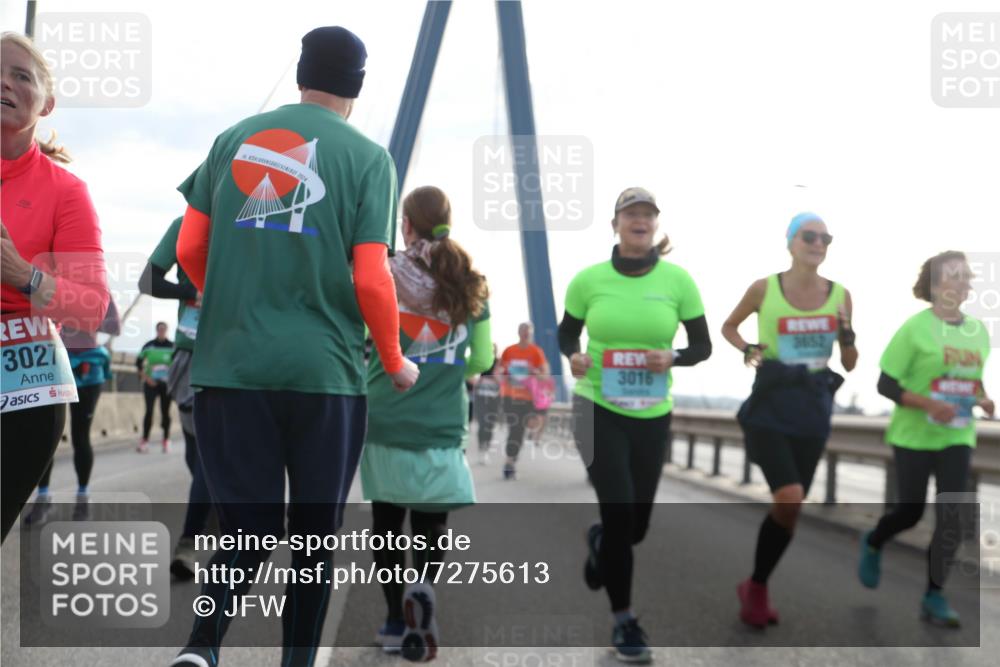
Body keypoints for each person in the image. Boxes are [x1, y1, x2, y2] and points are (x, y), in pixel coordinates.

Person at [169, 26, 418, 667]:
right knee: (312, 545)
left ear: (301, 71)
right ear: (356, 87)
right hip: (324, 375)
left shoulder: (231, 140)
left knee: (245, 531)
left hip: (230, 370)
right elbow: (371, 275)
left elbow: (189, 249)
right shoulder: (369, 158)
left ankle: (201, 649)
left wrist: (229, 302)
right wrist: (394, 360)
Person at [559, 187, 712, 663]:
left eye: (647, 214)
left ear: (655, 226)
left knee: (634, 526)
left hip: (652, 412)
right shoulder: (589, 280)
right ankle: (624, 621)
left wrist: (674, 357)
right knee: (620, 509)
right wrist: (574, 356)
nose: (639, 220)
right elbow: (567, 332)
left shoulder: (678, 281)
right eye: (631, 213)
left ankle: (602, 540)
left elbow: (703, 346)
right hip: (596, 407)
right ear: (616, 224)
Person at [360, 186, 492, 659]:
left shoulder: (385, 274)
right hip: (442, 421)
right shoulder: (471, 283)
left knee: (387, 523)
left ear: (407, 225)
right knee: (431, 522)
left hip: (386, 415)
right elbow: (482, 358)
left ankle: (396, 620)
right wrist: (446, 365)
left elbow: (360, 333)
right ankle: (424, 587)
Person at [721, 212, 857, 629]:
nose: (818, 243)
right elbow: (729, 326)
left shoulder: (840, 295)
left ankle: (756, 584)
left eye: (825, 237)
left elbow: (849, 363)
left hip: (813, 408)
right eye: (809, 236)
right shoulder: (765, 288)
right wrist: (748, 349)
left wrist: (847, 334)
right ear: (791, 242)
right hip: (771, 403)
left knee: (791, 508)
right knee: (790, 495)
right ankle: (758, 590)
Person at [1, 32, 110, 543]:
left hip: (22, 393)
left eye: (21, 75)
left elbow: (92, 309)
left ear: (47, 102)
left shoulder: (65, 191)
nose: (4, 82)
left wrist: (23, 274)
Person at [858, 251, 993, 627]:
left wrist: (982, 398)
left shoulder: (978, 332)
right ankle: (873, 540)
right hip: (914, 435)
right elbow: (885, 384)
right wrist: (928, 404)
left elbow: (970, 378)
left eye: (968, 275)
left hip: (957, 435)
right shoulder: (914, 328)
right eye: (956, 275)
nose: (966, 281)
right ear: (935, 285)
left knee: (952, 517)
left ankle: (934, 596)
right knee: (910, 512)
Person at [139, 216, 212, 579]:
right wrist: (190, 291)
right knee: (199, 456)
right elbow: (148, 280)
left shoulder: (258, 225)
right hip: (192, 354)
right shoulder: (187, 224)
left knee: (209, 456)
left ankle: (190, 541)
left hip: (239, 355)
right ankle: (206, 526)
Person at [22, 300, 120, 527]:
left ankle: (83, 498)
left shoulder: (96, 287)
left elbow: (114, 326)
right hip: (50, 361)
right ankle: (43, 497)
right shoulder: (45, 282)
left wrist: (79, 315)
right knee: (46, 437)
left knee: (80, 436)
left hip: (87, 367)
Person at [498, 322, 549, 479]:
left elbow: (545, 375)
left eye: (529, 332)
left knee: (521, 430)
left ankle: (512, 459)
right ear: (518, 332)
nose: (526, 334)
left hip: (528, 398)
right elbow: (499, 371)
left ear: (531, 333)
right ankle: (509, 462)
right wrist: (503, 377)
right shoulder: (509, 351)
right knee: (515, 429)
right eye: (523, 331)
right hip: (510, 396)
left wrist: (534, 372)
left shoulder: (536, 352)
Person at [136, 321, 174, 453]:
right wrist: (146, 378)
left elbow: (177, 365)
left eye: (164, 329)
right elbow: (139, 363)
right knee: (149, 411)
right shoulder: (149, 345)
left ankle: (166, 440)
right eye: (159, 329)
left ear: (167, 330)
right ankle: (145, 440)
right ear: (157, 330)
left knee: (165, 412)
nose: (161, 331)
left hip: (166, 384)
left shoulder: (172, 346)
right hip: (151, 383)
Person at [471, 344, 501, 464]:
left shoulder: (499, 362)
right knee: (482, 424)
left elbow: (500, 379)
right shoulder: (482, 361)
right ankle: (481, 449)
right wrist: (479, 380)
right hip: (481, 396)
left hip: (494, 397)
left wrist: (494, 377)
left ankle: (486, 448)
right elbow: (473, 377)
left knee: (490, 425)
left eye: (493, 349)